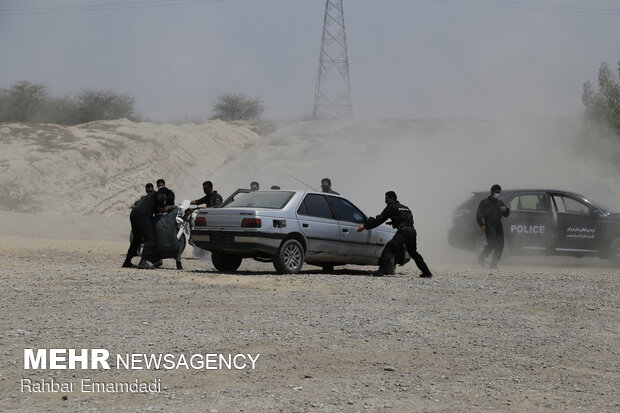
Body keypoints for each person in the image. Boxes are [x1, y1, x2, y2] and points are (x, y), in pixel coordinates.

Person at [357, 191, 432, 278]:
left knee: (389, 248)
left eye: (386, 199)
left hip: (403, 232)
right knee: (413, 252)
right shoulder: (405, 208)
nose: (385, 201)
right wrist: (395, 223)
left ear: (392, 198)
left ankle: (381, 271)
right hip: (412, 231)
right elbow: (407, 220)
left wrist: (365, 226)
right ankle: (426, 272)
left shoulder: (391, 207)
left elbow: (379, 220)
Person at [122, 188, 163, 269]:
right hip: (142, 215)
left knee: (136, 240)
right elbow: (160, 204)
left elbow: (137, 204)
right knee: (150, 239)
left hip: (134, 214)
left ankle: (127, 262)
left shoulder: (146, 197)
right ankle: (142, 262)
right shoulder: (158, 194)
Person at [476, 184, 510, 269]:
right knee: (492, 243)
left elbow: (506, 214)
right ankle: (481, 258)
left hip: (498, 225)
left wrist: (505, 210)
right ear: (491, 192)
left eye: (499, 193)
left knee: (500, 245)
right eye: (496, 192)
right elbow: (479, 215)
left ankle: (494, 264)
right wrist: (482, 224)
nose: (497, 194)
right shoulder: (484, 202)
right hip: (489, 225)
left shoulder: (500, 203)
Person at [150, 188, 183, 270]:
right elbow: (175, 207)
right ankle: (178, 263)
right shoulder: (172, 216)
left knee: (150, 244)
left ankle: (157, 261)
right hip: (174, 250)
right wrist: (166, 208)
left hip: (161, 251)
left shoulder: (154, 220)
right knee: (177, 243)